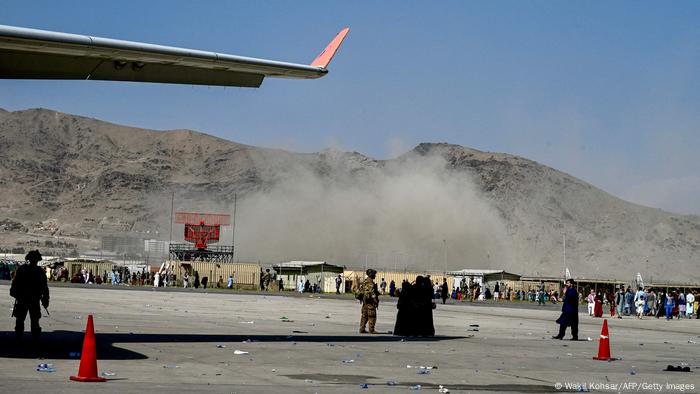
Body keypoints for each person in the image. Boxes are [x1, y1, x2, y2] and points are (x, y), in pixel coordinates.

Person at [10, 250, 50, 340]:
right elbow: (44, 288)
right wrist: (45, 299)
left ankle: (20, 337)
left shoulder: (22, 269)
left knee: (21, 320)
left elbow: (15, 284)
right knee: (32, 321)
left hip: (24, 299)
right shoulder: (39, 271)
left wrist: (15, 293)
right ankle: (33, 338)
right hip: (32, 300)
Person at [358, 269, 379, 334]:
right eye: (374, 274)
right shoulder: (371, 283)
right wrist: (376, 301)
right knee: (372, 316)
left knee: (364, 316)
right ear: (371, 275)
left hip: (365, 302)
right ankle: (371, 329)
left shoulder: (365, 281)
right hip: (370, 303)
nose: (375, 276)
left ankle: (362, 329)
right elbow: (372, 293)